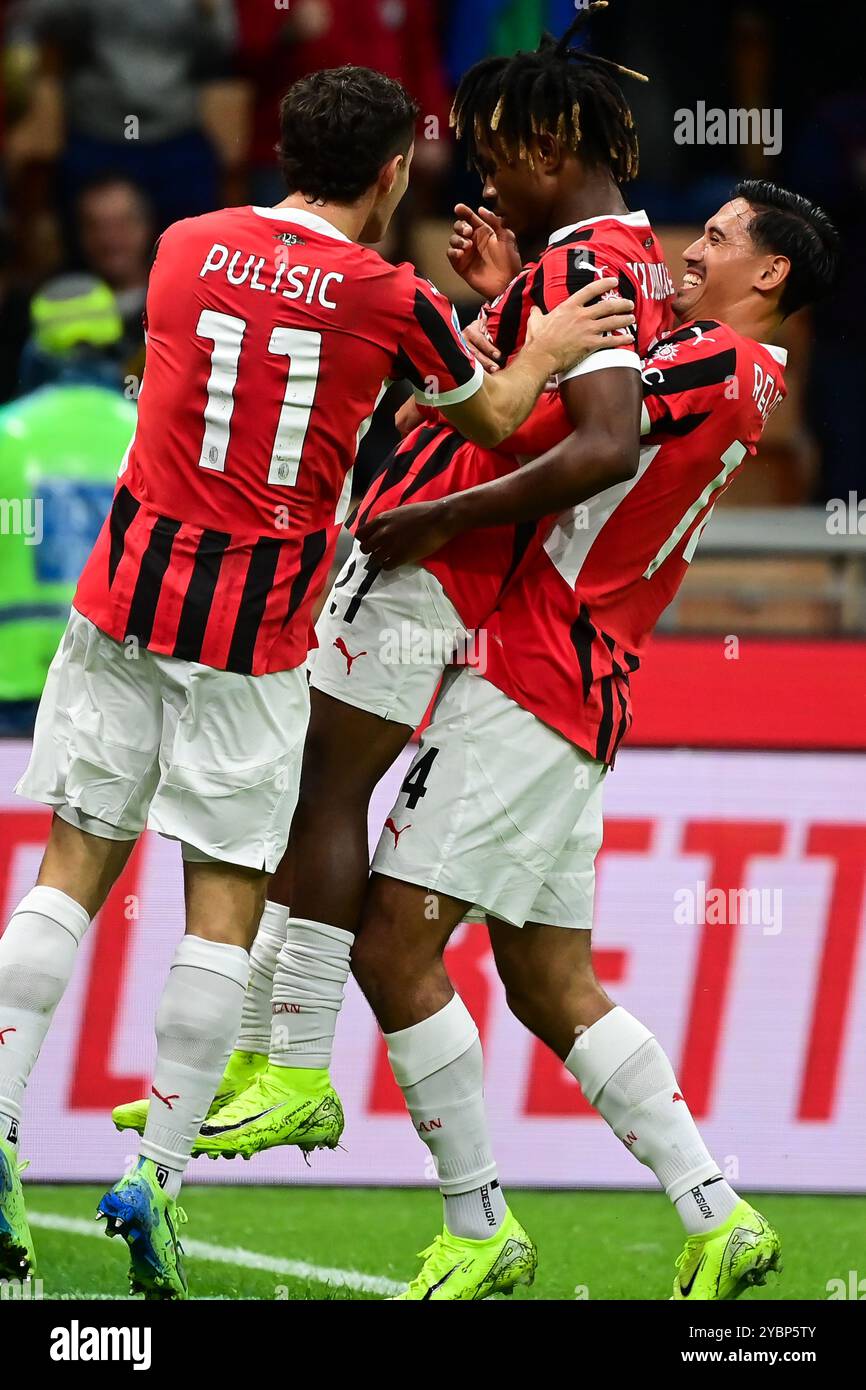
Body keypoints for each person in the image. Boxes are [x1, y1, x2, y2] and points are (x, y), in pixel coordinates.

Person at [0, 64, 627, 1298]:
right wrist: (543, 337)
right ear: (394, 173)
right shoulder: (394, 299)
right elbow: (496, 418)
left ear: (280, 149)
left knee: (71, 867)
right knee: (224, 896)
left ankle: (2, 1112)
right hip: (252, 639)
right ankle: (157, 1179)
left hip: (125, 604)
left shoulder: (185, 245)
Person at [146, 5, 670, 1167]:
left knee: (321, 791)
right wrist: (503, 298)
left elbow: (602, 442)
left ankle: (289, 1066)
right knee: (307, 790)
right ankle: (260, 1057)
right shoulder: (581, 263)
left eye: (494, 157)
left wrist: (430, 517)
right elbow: (533, 406)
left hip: (427, 567)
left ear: (546, 150)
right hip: (432, 568)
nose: (481, 175)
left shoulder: (593, 262)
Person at [341, 180, 841, 1299]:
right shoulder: (744, 373)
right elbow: (587, 384)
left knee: (389, 944)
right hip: (581, 688)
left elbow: (558, 423)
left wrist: (458, 432)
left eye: (713, 239)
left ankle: (477, 1225)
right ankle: (717, 1216)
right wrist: (523, 299)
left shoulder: (717, 362)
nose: (685, 250)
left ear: (767, 275)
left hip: (531, 675)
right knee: (546, 976)